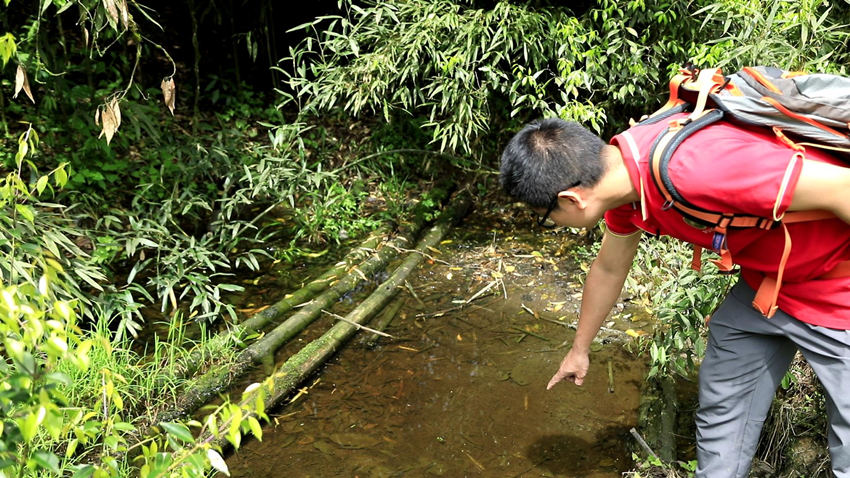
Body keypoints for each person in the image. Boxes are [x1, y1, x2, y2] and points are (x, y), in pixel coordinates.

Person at [499, 114, 850, 478]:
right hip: (767, 290)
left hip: (837, 293)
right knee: (720, 424)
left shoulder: (693, 167)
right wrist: (579, 350)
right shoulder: (624, 183)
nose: (551, 225)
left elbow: (844, 188)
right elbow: (608, 268)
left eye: (545, 217)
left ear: (572, 199)